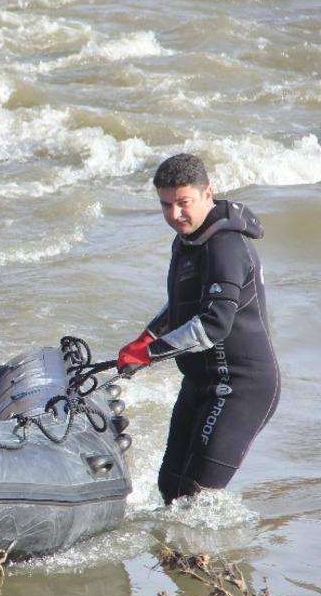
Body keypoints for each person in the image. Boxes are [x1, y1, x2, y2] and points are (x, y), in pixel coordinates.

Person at [116, 153, 280, 505]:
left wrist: (149, 354)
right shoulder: (189, 239)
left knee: (197, 498)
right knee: (171, 489)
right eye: (165, 205)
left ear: (208, 193)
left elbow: (214, 323)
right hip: (200, 382)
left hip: (241, 387)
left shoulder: (227, 246)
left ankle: (211, 559)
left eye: (183, 203)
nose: (174, 215)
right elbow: (183, 303)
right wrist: (149, 335)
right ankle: (175, 560)